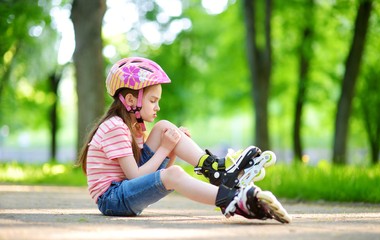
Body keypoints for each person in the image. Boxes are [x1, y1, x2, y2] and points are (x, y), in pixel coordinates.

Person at [77, 56, 291, 223]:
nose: (157, 107)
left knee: (164, 128)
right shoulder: (115, 127)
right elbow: (135, 176)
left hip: (126, 190)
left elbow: (156, 176)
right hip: (113, 199)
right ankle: (231, 199)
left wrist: (170, 150)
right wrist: (165, 150)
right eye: (153, 100)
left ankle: (215, 168)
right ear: (131, 100)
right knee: (175, 171)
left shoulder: (133, 127)